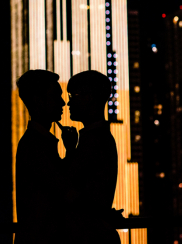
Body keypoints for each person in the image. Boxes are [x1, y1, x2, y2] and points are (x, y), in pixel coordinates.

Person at [14, 70, 78, 244]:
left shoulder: (35, 143)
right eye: (56, 96)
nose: (63, 103)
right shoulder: (34, 146)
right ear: (38, 101)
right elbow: (65, 191)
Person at [63, 70, 123, 244]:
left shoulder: (94, 140)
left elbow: (71, 187)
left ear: (89, 97)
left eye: (73, 95)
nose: (68, 103)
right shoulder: (98, 137)